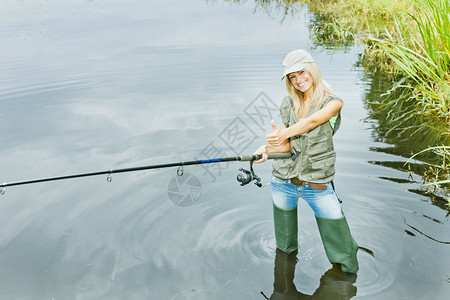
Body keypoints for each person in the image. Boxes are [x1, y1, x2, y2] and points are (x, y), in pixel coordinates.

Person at [254, 49, 359, 274]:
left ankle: (345, 286)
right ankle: (284, 287)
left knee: (344, 252)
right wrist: (266, 149)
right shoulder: (288, 103)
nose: (298, 80)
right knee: (285, 248)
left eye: (301, 73)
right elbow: (286, 145)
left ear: (312, 69)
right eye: (292, 77)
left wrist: (284, 133)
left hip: (318, 185)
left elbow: (313, 121)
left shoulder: (333, 102)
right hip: (283, 182)